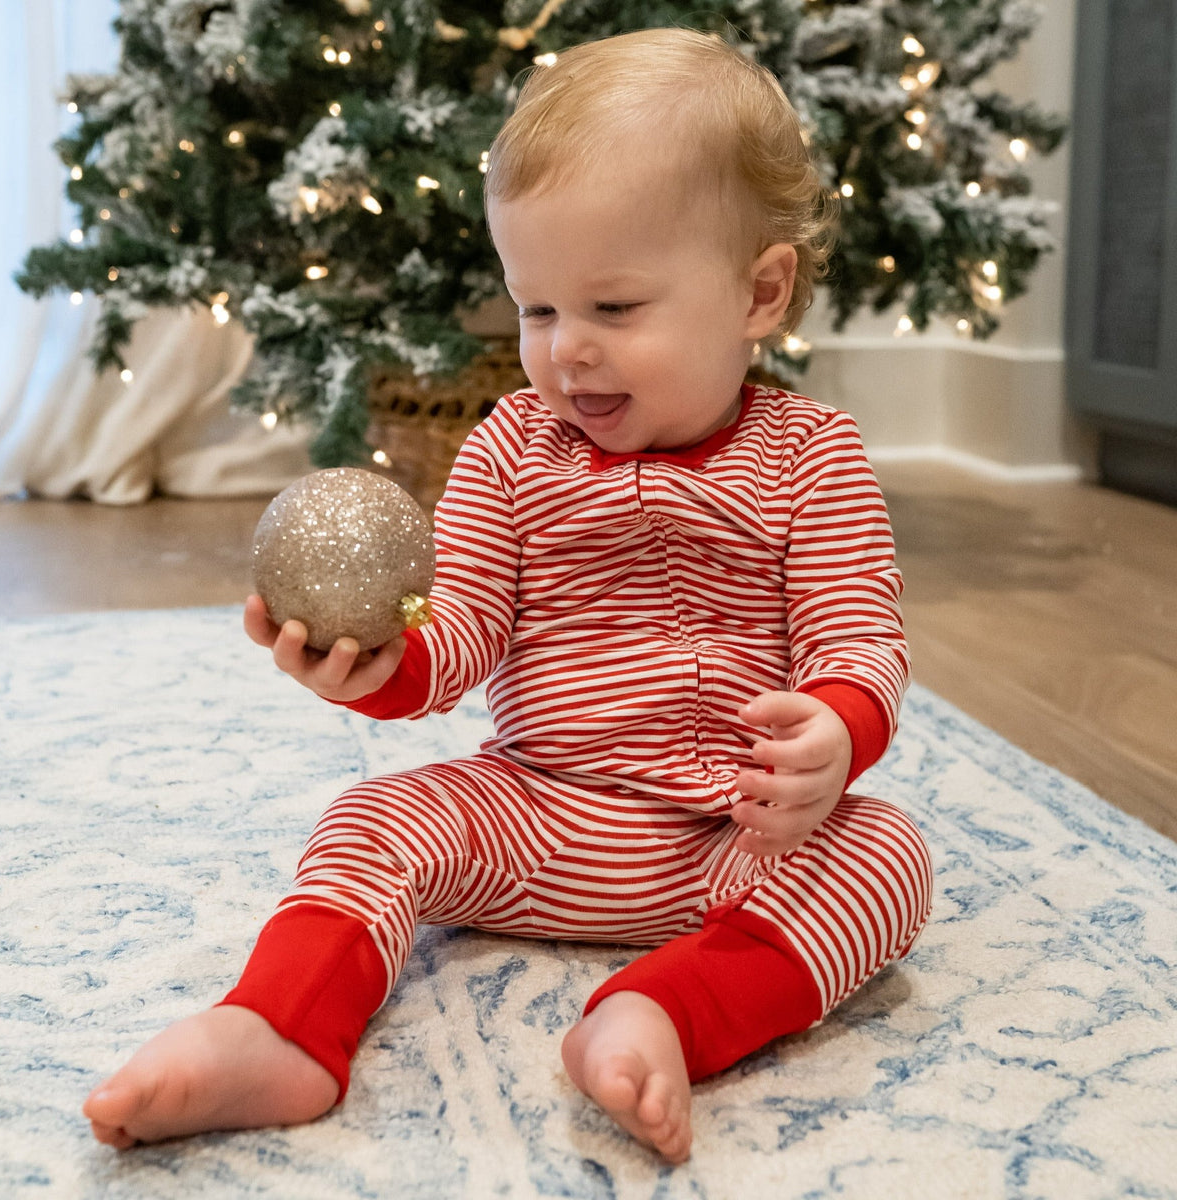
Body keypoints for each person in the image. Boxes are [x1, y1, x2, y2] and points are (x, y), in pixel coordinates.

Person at [83, 28, 932, 1164]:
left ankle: (660, 1014)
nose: (565, 352)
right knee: (375, 817)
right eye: (536, 311)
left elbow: (857, 632)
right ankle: (278, 1029)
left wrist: (834, 727)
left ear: (759, 293)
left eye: (614, 310)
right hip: (540, 812)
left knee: (887, 859)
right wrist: (379, 666)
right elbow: (463, 628)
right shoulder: (510, 450)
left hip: (738, 837)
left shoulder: (812, 457)